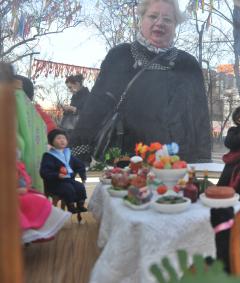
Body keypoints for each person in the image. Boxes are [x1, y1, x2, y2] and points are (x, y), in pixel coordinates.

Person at [70, 0, 211, 163]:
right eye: (153, 16)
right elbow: (96, 106)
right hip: (125, 161)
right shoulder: (120, 56)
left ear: (174, 26)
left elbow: (200, 119)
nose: (160, 23)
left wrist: (202, 162)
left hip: (176, 164)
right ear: (141, 20)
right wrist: (78, 151)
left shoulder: (188, 64)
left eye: (167, 19)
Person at [40, 129, 87, 214]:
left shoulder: (68, 154)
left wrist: (83, 176)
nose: (62, 140)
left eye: (64, 138)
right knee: (68, 189)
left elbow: (80, 165)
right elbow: (44, 172)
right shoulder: (48, 156)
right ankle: (71, 206)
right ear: (51, 141)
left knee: (80, 186)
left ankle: (80, 205)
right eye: (58, 138)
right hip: (54, 182)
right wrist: (57, 175)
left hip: (68, 180)